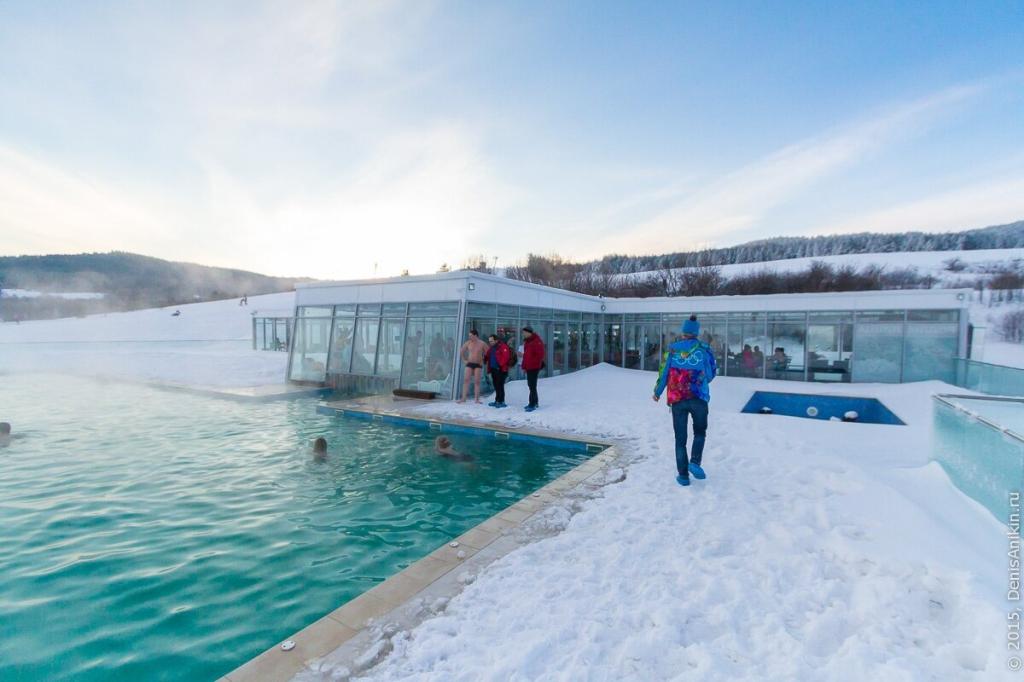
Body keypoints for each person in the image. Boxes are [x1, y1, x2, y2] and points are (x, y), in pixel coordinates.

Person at [653, 315, 717, 487]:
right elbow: (711, 373)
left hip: (678, 399)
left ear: (683, 332)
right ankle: (694, 462)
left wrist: (657, 392)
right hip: (699, 398)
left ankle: (683, 476)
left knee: (680, 439)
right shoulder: (704, 349)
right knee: (700, 432)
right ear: (696, 333)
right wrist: (700, 381)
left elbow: (664, 372)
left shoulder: (672, 350)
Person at [457, 329, 489, 403]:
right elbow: (461, 351)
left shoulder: (482, 343)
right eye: (469, 336)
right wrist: (464, 360)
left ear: (475, 335)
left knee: (477, 382)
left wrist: (484, 360)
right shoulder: (468, 343)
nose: (469, 337)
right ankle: (463, 398)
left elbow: (488, 352)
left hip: (478, 364)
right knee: (466, 380)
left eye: (471, 336)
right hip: (469, 363)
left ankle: (477, 399)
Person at [521, 326, 546, 412]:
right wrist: (524, 366)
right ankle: (534, 402)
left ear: (529, 332)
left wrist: (533, 364)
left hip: (534, 367)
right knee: (531, 385)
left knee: (532, 385)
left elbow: (540, 355)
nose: (523, 334)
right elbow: (526, 356)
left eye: (524, 332)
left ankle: (532, 403)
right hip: (529, 367)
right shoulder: (528, 342)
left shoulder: (536, 341)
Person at [485, 334, 512, 408]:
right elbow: (488, 355)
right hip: (493, 369)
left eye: (492, 341)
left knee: (500, 385)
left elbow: (506, 357)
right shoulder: (492, 348)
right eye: (489, 341)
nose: (490, 342)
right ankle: (497, 400)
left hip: (501, 369)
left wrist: (500, 365)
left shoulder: (503, 346)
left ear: (496, 340)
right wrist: (485, 358)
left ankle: (501, 401)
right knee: (496, 385)